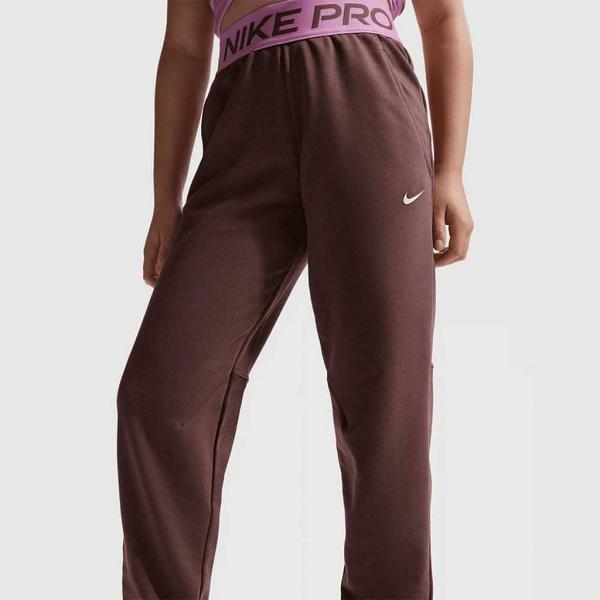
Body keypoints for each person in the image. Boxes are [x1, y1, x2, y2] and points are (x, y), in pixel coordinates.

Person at [117, 0, 474, 598]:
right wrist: (165, 198)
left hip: (364, 93)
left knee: (385, 396)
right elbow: (183, 47)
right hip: (241, 121)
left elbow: (443, 20)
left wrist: (451, 171)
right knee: (159, 393)